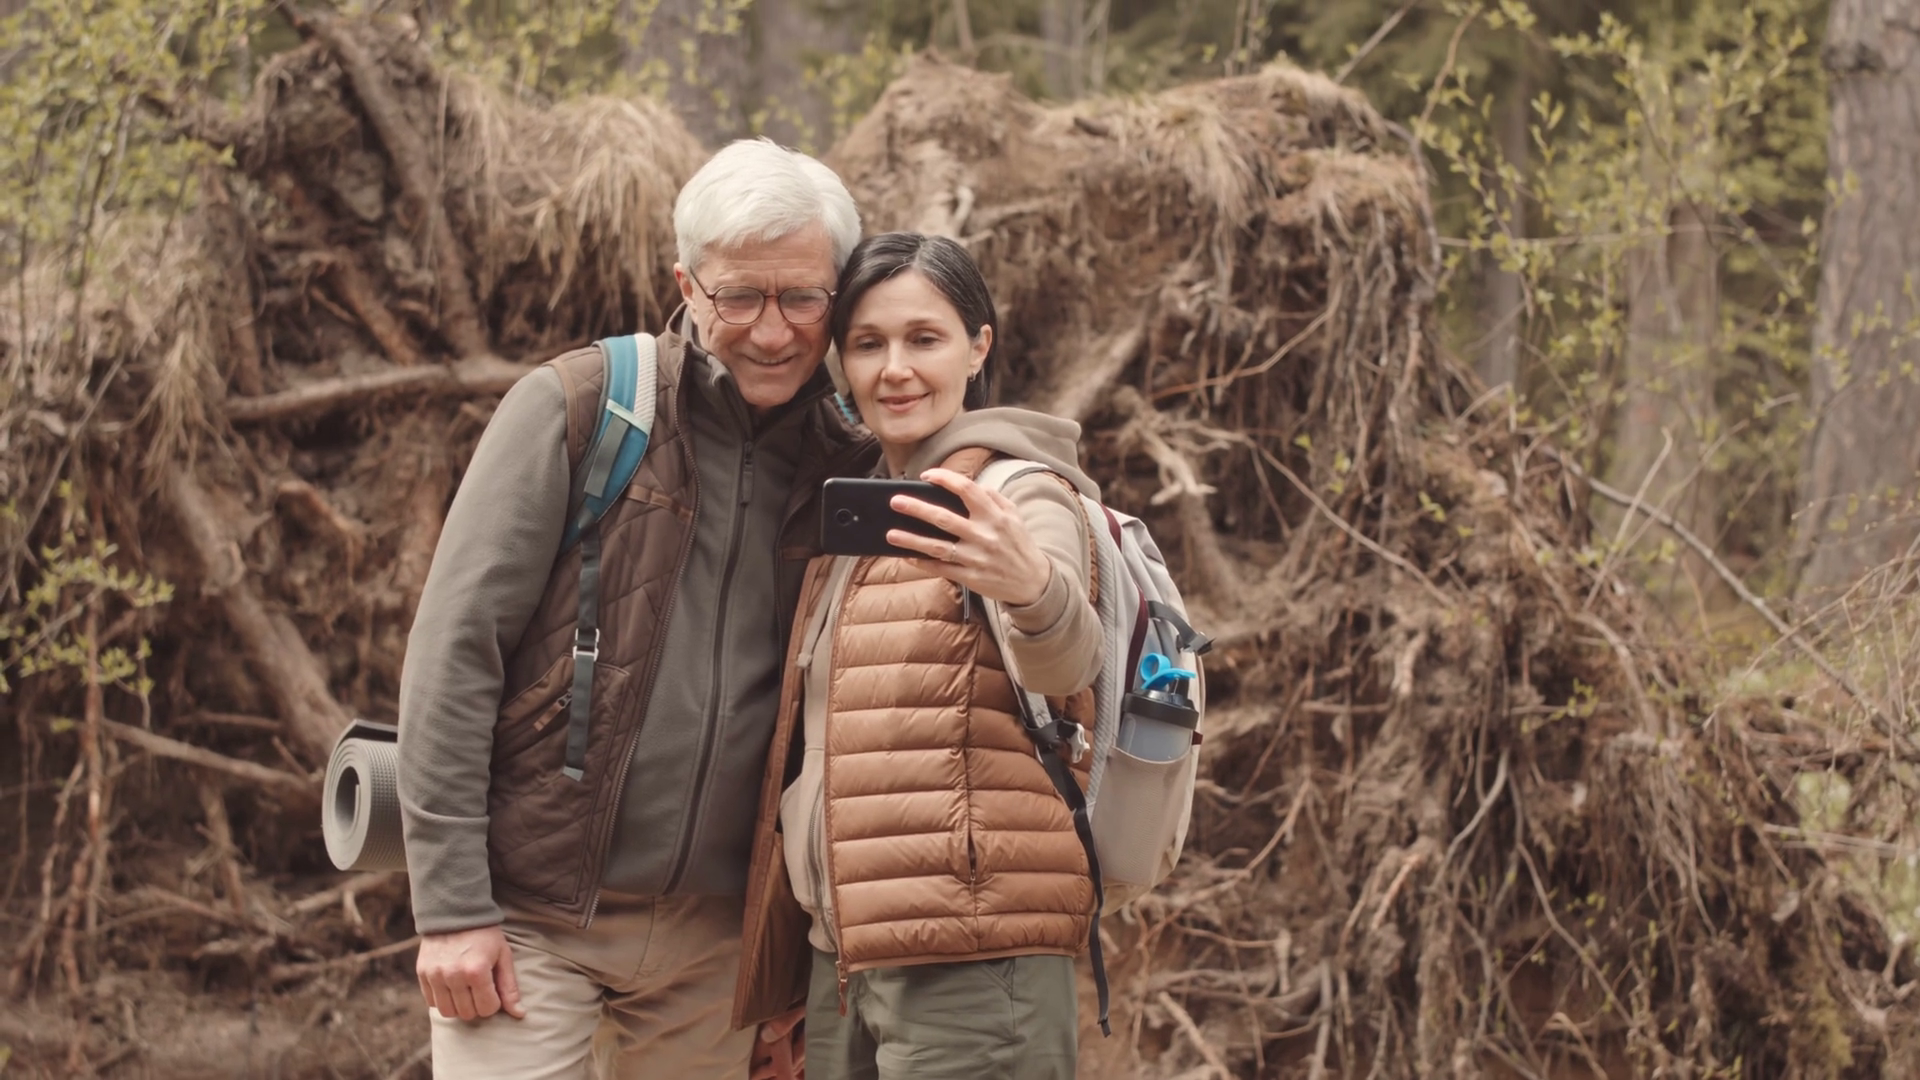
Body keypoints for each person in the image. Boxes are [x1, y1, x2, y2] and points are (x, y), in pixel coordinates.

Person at [395, 138, 877, 1079]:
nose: (772, 332)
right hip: (533, 920)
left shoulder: (851, 465)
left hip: (719, 949)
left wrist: (793, 961)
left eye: (802, 297)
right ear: (687, 286)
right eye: (739, 297)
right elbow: (454, 653)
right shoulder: (581, 407)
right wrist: (450, 908)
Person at [732, 232, 1103, 1080]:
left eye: (924, 339)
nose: (895, 369)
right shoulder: (861, 514)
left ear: (978, 347)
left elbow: (1067, 667)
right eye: (868, 344)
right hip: (846, 963)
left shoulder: (1018, 492)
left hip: (975, 961)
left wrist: (1032, 589)